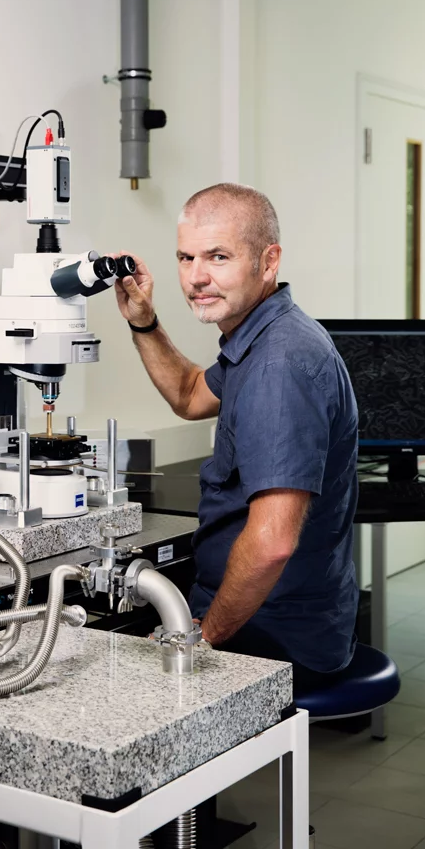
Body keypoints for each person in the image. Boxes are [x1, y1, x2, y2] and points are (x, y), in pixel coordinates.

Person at [114, 183, 358, 688]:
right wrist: (144, 322)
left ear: (268, 262)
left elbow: (271, 544)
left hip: (270, 638)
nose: (196, 277)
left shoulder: (279, 365)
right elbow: (189, 395)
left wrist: (199, 639)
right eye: (186, 258)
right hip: (256, 617)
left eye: (218, 257)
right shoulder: (259, 338)